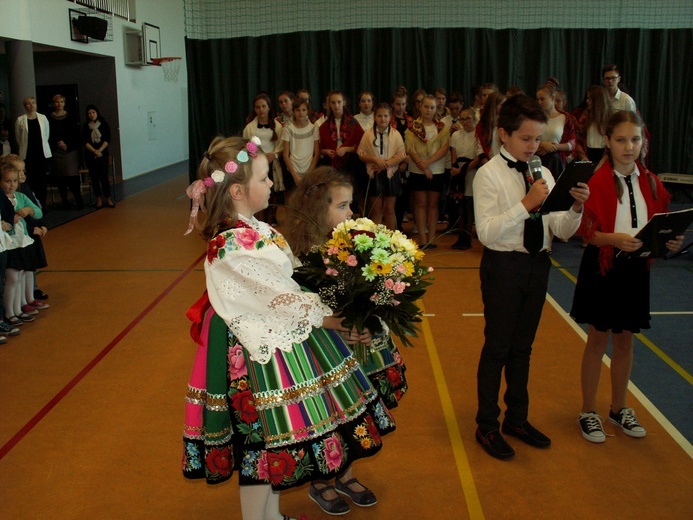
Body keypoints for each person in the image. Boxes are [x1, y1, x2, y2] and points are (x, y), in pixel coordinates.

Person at [181, 137, 394, 520]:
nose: (270, 185)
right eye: (264, 178)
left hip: (271, 340)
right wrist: (332, 319)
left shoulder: (255, 229)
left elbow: (292, 281)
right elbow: (279, 297)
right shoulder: (233, 243)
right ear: (237, 191)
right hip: (250, 358)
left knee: (271, 446)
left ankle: (271, 517)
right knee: (259, 449)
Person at [284, 166, 408, 514]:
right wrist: (331, 324)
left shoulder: (355, 245)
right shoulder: (295, 255)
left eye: (351, 205)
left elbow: (372, 295)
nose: (351, 214)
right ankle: (322, 479)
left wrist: (371, 324)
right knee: (328, 415)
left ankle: (346, 472)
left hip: (356, 347)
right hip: (320, 350)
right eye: (343, 206)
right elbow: (294, 308)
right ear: (317, 207)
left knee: (355, 412)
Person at [472, 94, 590, 460]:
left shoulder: (544, 172)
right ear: (504, 134)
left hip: (538, 265)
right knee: (498, 347)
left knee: (523, 348)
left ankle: (517, 418)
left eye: (537, 139)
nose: (533, 146)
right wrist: (525, 205)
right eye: (525, 138)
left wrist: (574, 207)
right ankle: (487, 424)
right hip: (504, 266)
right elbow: (487, 234)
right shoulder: (488, 174)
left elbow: (562, 229)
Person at [570, 111, 682, 443]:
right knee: (597, 339)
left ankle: (618, 408)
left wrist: (669, 241)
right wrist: (614, 239)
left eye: (635, 140)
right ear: (606, 141)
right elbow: (587, 234)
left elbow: (659, 227)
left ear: (643, 141)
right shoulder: (596, 181)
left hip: (635, 271)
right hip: (603, 268)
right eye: (621, 140)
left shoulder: (651, 181)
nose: (629, 147)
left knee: (626, 341)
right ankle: (588, 411)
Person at [0, 160, 42, 327]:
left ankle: (17, 309)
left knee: (19, 277)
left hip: (22, 243)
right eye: (7, 181)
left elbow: (38, 212)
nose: (11, 185)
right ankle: (9, 312)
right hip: (9, 245)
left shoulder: (21, 197)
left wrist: (29, 210)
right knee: (11, 278)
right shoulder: (2, 199)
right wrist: (9, 221)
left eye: (14, 181)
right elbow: (7, 221)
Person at [405, 94, 450, 248]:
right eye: (426, 106)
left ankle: (431, 238)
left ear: (436, 109)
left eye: (432, 107)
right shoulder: (412, 127)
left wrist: (428, 164)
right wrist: (422, 166)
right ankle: (422, 238)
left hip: (436, 170)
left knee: (433, 204)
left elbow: (444, 148)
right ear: (420, 107)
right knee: (421, 203)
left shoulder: (442, 128)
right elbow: (410, 149)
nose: (428, 110)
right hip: (417, 171)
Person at [357, 103, 406, 229]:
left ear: (390, 117)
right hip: (374, 174)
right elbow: (361, 154)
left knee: (389, 209)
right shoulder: (368, 135)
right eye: (379, 116)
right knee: (376, 209)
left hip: (391, 174)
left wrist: (385, 164)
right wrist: (375, 159)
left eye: (385, 116)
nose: (382, 119)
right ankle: (376, 241)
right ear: (374, 117)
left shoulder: (396, 134)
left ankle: (392, 240)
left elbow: (401, 154)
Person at [243, 93, 284, 222]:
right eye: (258, 107)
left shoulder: (277, 126)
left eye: (263, 106)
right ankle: (259, 219)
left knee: (273, 192)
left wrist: (275, 154)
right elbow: (244, 145)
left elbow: (283, 146)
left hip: (272, 164)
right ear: (254, 109)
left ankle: (272, 217)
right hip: (257, 164)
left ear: (268, 107)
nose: (261, 110)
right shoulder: (250, 128)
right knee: (259, 190)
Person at [448, 107, 482, 250]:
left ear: (474, 119)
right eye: (462, 119)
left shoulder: (478, 135)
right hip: (459, 171)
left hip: (472, 170)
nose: (465, 122)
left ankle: (467, 237)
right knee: (460, 205)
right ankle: (460, 236)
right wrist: (456, 169)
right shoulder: (456, 135)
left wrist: (463, 169)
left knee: (469, 205)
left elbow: (479, 157)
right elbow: (454, 155)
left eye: (467, 118)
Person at [48, 94, 84, 210]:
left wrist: (66, 144)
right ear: (54, 104)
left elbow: (75, 134)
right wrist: (58, 144)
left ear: (64, 103)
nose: (59, 104)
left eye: (62, 102)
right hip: (56, 150)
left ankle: (79, 200)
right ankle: (64, 201)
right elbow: (48, 134)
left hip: (70, 150)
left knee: (72, 176)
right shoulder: (48, 118)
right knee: (60, 178)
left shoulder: (71, 117)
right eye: (57, 102)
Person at [15, 96, 51, 209]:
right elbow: (18, 138)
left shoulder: (43, 118)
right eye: (28, 103)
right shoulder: (20, 120)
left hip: (41, 154)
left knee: (42, 181)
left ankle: (43, 205)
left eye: (33, 103)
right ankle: (33, 205)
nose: (31, 105)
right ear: (25, 106)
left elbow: (46, 134)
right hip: (28, 155)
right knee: (30, 180)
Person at [535, 83, 577, 178]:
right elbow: (528, 137)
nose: (539, 102)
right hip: (537, 160)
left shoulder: (565, 118)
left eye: (542, 99)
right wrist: (542, 144)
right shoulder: (535, 118)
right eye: (538, 99)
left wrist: (554, 147)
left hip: (556, 163)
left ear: (553, 98)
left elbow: (572, 144)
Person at [281, 98, 320, 188]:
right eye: (298, 110)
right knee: (291, 200)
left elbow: (317, 154)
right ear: (294, 111)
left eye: (303, 110)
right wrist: (295, 176)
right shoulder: (288, 129)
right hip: (292, 171)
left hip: (309, 171)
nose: (301, 113)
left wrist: (308, 174)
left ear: (307, 111)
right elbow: (285, 155)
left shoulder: (314, 128)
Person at [81, 104, 114, 209]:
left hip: (102, 153)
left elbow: (107, 139)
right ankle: (98, 199)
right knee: (94, 177)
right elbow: (84, 141)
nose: (91, 115)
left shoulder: (103, 124)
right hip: (90, 155)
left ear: (97, 113)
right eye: (89, 113)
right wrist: (94, 151)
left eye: (93, 112)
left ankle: (108, 198)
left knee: (104, 176)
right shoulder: (86, 126)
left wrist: (99, 150)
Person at [577, 85, 612, 164]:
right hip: (588, 157)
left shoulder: (611, 122)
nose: (587, 101)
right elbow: (578, 140)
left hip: (605, 159)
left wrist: (602, 162)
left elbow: (612, 147)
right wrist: (584, 158)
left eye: (590, 98)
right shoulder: (585, 119)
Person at [475, 91, 506, 162]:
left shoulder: (507, 124)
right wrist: (487, 163)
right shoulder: (481, 126)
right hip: (489, 162)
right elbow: (479, 149)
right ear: (493, 105)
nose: (504, 107)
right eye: (502, 104)